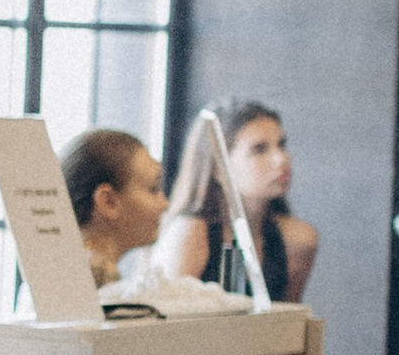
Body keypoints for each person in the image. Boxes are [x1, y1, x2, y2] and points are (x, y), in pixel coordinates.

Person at [156, 101, 317, 301]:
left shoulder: (298, 239)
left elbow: (288, 317)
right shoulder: (189, 233)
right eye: (259, 149)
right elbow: (164, 317)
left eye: (281, 145)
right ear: (217, 167)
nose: (281, 159)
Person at [61, 128, 167, 291]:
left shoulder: (69, 272)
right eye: (153, 189)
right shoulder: (84, 285)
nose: (164, 204)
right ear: (108, 202)